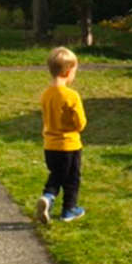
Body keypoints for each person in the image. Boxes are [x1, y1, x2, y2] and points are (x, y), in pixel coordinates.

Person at [36, 47, 87, 224]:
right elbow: (80, 123)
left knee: (56, 174)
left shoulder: (46, 94)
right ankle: (69, 210)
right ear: (67, 72)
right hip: (69, 145)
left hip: (50, 145)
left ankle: (48, 196)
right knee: (72, 179)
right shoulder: (71, 96)